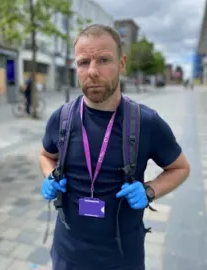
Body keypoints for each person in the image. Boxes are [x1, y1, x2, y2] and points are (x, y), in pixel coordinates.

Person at [38, 24, 190, 270]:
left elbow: (180, 167)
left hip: (122, 258)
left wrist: (150, 190)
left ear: (122, 64)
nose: (93, 71)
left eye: (103, 60)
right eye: (83, 62)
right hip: (67, 254)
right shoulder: (61, 118)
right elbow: (46, 155)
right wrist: (49, 176)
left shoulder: (146, 122)